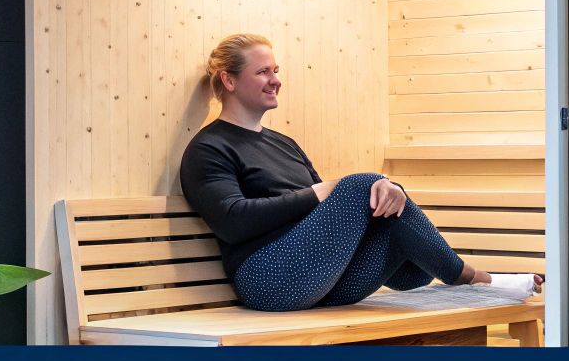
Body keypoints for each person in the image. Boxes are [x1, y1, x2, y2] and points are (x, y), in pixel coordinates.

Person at [180, 33, 543, 313]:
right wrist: (323, 193)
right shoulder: (210, 148)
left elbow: (330, 214)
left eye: (276, 71)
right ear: (229, 81)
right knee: (364, 183)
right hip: (269, 281)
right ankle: (476, 280)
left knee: (389, 208)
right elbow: (232, 221)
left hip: (322, 279)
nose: (275, 80)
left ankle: (463, 278)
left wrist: (391, 189)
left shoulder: (284, 143)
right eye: (263, 72)